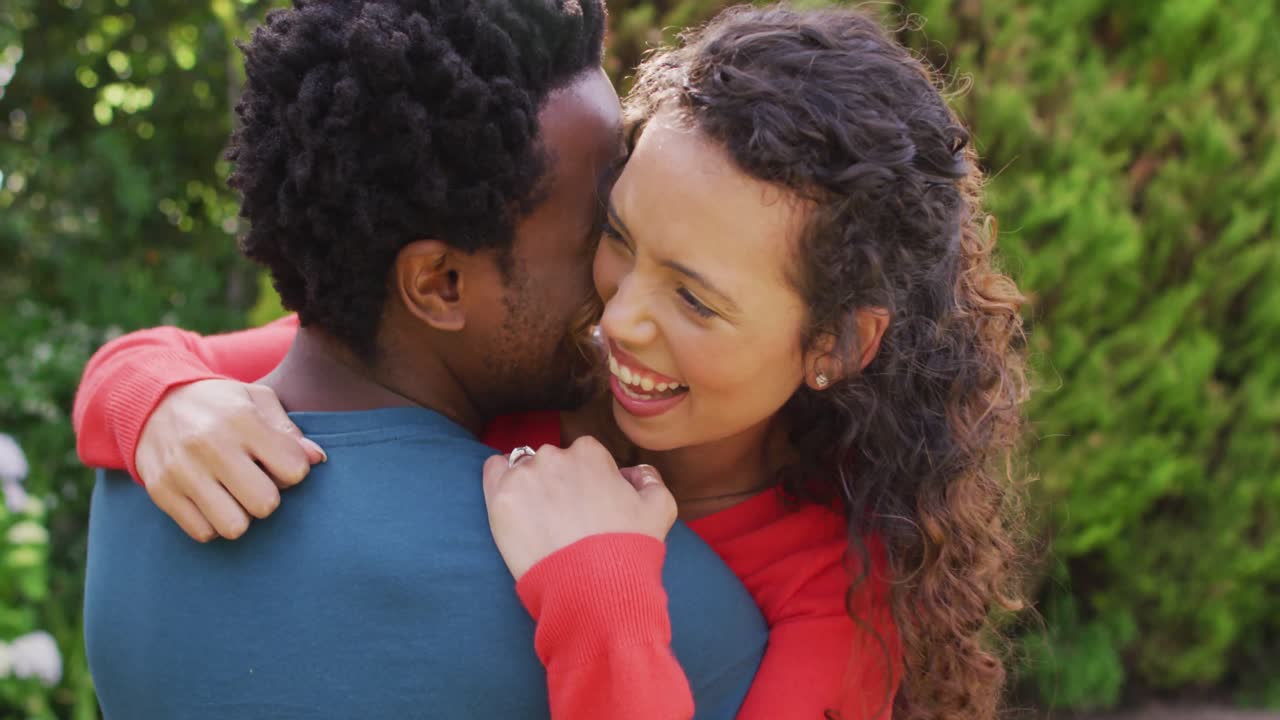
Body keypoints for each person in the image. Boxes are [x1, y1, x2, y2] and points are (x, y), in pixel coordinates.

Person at [77, 5, 1031, 720]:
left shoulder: (835, 604)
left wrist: (598, 598)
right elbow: (184, 358)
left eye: (695, 297)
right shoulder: (547, 373)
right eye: (615, 235)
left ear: (834, 343)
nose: (619, 317)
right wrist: (161, 399)